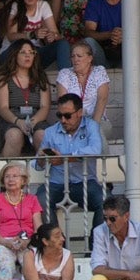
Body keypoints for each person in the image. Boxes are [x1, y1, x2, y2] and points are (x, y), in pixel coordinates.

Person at [37, 93, 103, 224]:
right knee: (40, 201)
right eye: (59, 115)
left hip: (85, 182)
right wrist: (42, 158)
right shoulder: (50, 131)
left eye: (67, 115)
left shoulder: (91, 126)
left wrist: (65, 158)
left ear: (79, 112)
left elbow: (96, 150)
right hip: (56, 183)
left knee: (105, 202)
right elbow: (39, 164)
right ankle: (56, 242)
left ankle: (96, 243)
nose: (63, 120)